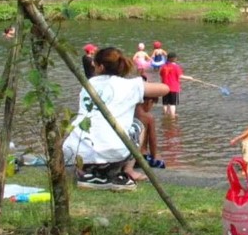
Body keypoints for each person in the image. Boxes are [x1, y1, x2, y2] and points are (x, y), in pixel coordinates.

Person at [63, 47, 169, 190]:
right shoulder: (130, 85)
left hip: (75, 151)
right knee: (138, 125)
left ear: (100, 67)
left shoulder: (88, 85)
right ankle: (128, 170)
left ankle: (86, 170)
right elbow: (165, 89)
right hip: (114, 151)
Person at [159, 51, 189, 117]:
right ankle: (172, 116)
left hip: (165, 88)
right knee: (173, 104)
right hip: (174, 88)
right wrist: (189, 78)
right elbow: (180, 76)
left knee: (165, 103)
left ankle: (165, 114)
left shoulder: (163, 66)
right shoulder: (176, 67)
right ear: (174, 59)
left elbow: (161, 75)